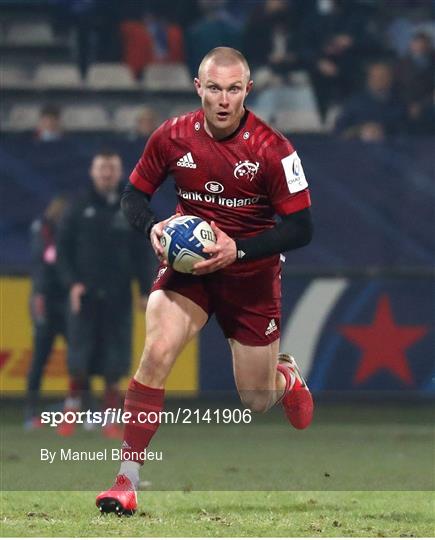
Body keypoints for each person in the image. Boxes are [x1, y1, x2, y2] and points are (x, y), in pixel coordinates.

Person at [96, 47, 313, 514]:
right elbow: (134, 195)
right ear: (198, 87)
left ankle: (286, 377)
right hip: (187, 271)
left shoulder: (273, 149)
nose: (223, 98)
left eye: (233, 89)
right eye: (213, 87)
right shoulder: (172, 136)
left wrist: (239, 249)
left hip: (250, 276)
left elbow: (301, 228)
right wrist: (151, 225)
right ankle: (125, 481)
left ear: (247, 91)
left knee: (256, 398)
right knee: (155, 353)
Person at [57, 150, 152, 439]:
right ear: (92, 171)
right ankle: (72, 408)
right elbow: (62, 252)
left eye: (111, 168)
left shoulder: (130, 208)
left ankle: (110, 416)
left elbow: (141, 253)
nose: (106, 173)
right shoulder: (77, 207)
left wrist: (145, 290)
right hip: (84, 296)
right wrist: (72, 283)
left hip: (119, 295)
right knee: (79, 356)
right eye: (101, 168)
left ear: (120, 171)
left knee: (115, 359)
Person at [25, 196, 68, 430]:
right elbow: (44, 262)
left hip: (65, 301)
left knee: (79, 358)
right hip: (45, 300)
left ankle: (87, 410)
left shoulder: (66, 232)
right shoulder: (42, 229)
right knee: (40, 356)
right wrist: (39, 299)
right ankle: (31, 412)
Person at [334, 61, 407, 141]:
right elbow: (338, 133)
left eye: (383, 76)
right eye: (375, 76)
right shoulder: (354, 103)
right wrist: (359, 130)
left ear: (390, 79)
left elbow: (406, 134)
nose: (379, 80)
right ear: (368, 78)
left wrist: (384, 131)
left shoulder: (399, 104)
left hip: (391, 150)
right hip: (357, 149)